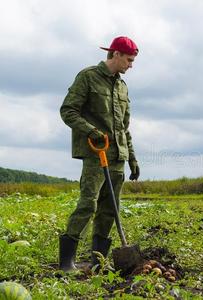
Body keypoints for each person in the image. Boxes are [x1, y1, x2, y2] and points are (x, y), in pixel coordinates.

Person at [59, 36, 140, 271]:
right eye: (129, 59)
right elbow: (68, 111)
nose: (131, 65)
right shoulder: (88, 77)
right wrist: (92, 131)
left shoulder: (122, 86)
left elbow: (124, 127)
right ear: (115, 54)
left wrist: (132, 158)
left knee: (109, 210)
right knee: (88, 204)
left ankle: (98, 263)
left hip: (118, 157)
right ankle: (66, 262)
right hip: (96, 154)